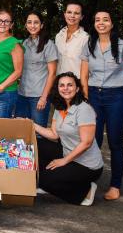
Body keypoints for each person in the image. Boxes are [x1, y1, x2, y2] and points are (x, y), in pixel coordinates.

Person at [79, 10, 123, 201]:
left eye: (105, 20)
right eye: (97, 20)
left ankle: (115, 185)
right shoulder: (89, 45)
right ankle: (89, 183)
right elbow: (83, 76)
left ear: (112, 24)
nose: (101, 23)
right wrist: (87, 100)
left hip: (117, 99)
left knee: (115, 143)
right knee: (91, 142)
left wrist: (117, 83)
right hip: (94, 98)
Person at [34, 72, 103, 206]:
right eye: (62, 85)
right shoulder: (60, 107)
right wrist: (31, 124)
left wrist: (63, 161)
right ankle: (54, 181)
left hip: (87, 165)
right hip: (68, 152)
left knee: (43, 180)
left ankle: (86, 191)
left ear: (77, 88)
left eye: (70, 85)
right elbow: (54, 134)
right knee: (36, 145)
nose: (65, 88)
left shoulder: (84, 109)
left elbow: (87, 143)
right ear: (58, 88)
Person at [16, 11, 58, 126]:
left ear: (42, 25)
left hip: (38, 96)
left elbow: (52, 73)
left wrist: (44, 97)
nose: (32, 25)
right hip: (22, 94)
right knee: (20, 130)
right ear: (25, 25)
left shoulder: (48, 45)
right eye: (29, 22)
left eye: (36, 22)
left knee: (38, 133)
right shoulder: (23, 44)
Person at [55, 1, 89, 77]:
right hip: (59, 84)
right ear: (65, 15)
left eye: (76, 13)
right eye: (69, 12)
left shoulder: (86, 38)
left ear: (81, 17)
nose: (72, 16)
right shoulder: (59, 36)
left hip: (77, 83)